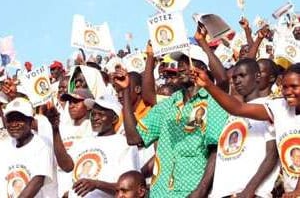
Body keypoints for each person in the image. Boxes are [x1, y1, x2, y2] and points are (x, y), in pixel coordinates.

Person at [114, 24, 229, 197]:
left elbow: (215, 150)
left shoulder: (213, 101)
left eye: (187, 63)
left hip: (191, 192)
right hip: (160, 192)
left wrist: (201, 190)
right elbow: (133, 137)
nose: (180, 68)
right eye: (179, 64)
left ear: (202, 69)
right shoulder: (169, 104)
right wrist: (125, 89)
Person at [193, 63, 300, 197]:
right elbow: (238, 108)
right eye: (285, 87)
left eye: (294, 87)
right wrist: (208, 85)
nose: (288, 92)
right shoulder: (280, 107)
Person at [70, 94, 139, 198]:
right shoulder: (83, 141)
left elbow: (130, 188)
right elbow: (66, 168)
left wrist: (97, 184)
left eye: (101, 114)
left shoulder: (124, 144)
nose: (95, 118)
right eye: (93, 114)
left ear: (114, 119)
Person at [2, 97, 54, 197]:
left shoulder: (42, 144)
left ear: (31, 122)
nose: (14, 124)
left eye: (19, 119)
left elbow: (38, 181)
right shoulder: (4, 146)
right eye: (10, 120)